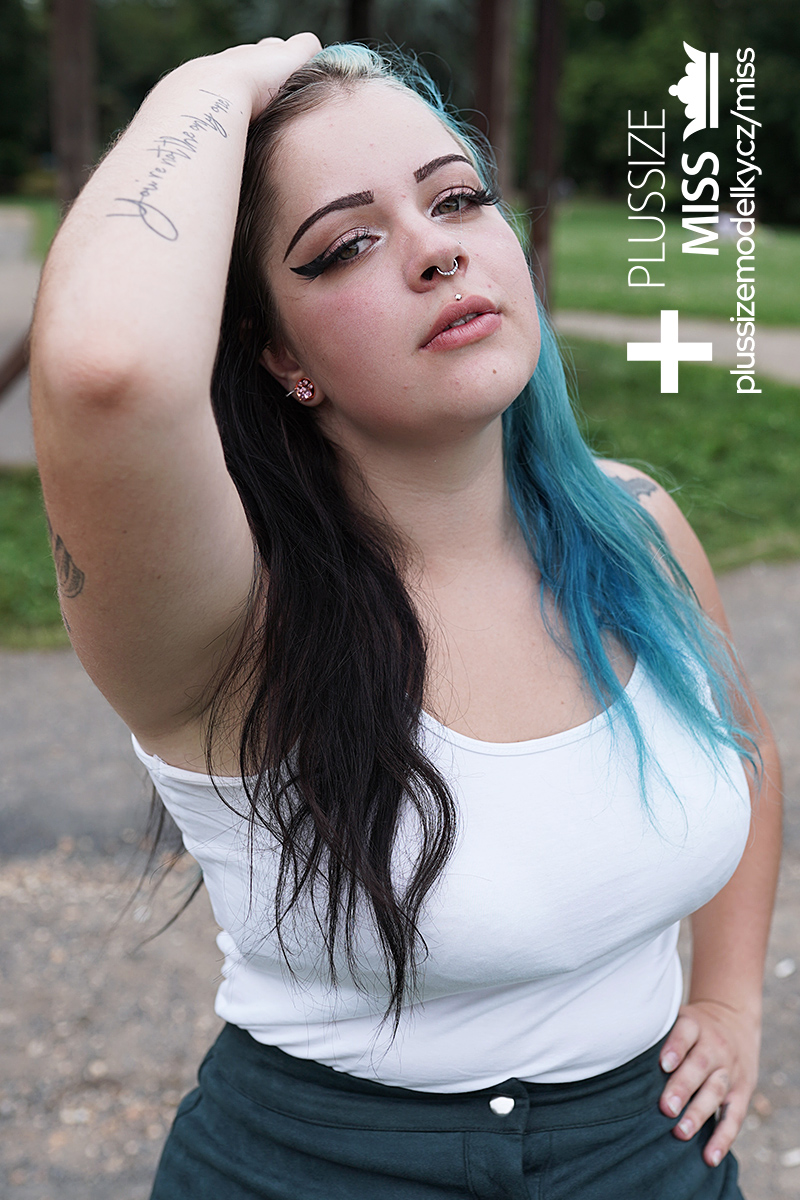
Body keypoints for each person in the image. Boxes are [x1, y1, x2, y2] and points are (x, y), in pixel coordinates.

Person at [31, 32, 781, 1200]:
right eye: (346, 245)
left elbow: (741, 749)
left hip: (648, 1158)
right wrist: (214, 82)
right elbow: (105, 369)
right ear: (280, 355)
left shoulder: (633, 527)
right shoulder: (232, 618)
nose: (435, 250)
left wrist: (727, 999)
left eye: (456, 199)